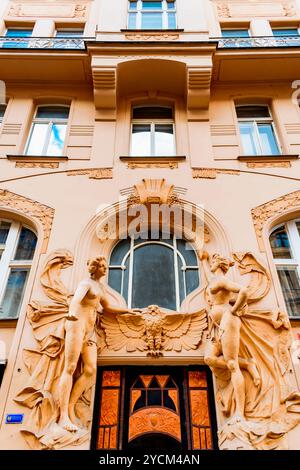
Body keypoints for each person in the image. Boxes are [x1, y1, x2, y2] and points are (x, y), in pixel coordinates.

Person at [58, 256, 138, 432]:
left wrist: (128, 310)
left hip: (90, 329)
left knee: (91, 369)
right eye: (101, 266)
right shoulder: (85, 284)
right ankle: (63, 416)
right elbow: (76, 300)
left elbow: (107, 307)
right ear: (93, 268)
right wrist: (71, 313)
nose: (105, 268)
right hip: (76, 324)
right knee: (70, 367)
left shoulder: (100, 287)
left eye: (105, 266)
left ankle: (71, 406)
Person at [199, 251, 261, 422]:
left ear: (218, 264)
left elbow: (243, 292)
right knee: (209, 358)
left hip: (228, 321)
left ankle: (240, 413)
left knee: (232, 364)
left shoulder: (222, 281)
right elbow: (207, 274)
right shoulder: (214, 280)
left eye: (212, 261)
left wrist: (233, 311)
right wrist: (203, 258)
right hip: (217, 327)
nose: (210, 265)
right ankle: (248, 363)